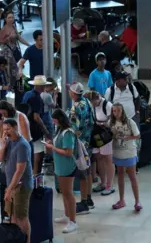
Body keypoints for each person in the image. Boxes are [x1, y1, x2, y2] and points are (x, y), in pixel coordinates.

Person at [0, 118, 33, 243]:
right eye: (4, 130)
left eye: (8, 129)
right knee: (12, 215)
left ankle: (27, 240)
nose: (6, 132)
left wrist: (10, 189)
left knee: (21, 217)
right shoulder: (10, 143)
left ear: (16, 128)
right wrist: (3, 145)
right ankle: (16, 239)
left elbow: (20, 171)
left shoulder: (22, 145)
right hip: (11, 185)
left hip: (21, 186)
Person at [47, 109, 78, 233]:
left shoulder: (68, 133)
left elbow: (68, 152)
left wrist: (53, 147)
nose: (53, 121)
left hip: (67, 166)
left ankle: (73, 221)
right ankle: (67, 215)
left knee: (68, 193)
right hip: (59, 166)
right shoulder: (59, 130)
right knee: (64, 193)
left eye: (54, 119)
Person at [109, 103, 142, 211]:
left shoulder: (129, 122)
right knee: (121, 175)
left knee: (132, 176)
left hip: (129, 152)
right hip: (117, 152)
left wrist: (129, 137)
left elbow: (138, 135)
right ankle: (121, 200)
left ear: (122, 111)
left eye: (118, 111)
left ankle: (137, 201)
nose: (116, 113)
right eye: (114, 111)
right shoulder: (112, 122)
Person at [68, 82, 94, 214]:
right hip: (88, 141)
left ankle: (84, 203)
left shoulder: (76, 107)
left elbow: (74, 128)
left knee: (82, 173)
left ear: (73, 93)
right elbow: (93, 121)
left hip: (80, 144)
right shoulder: (87, 102)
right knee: (88, 170)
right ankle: (89, 198)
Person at [85, 91, 115, 195]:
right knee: (98, 158)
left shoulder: (107, 105)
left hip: (106, 135)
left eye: (93, 102)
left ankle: (109, 185)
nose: (93, 104)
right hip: (96, 135)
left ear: (98, 98)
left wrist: (102, 123)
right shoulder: (90, 105)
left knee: (108, 159)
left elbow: (113, 121)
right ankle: (103, 183)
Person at [22, 76, 51, 174]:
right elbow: (36, 117)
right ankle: (35, 176)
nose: (44, 87)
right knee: (38, 154)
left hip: (25, 127)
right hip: (34, 130)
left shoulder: (27, 94)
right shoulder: (37, 98)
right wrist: (45, 130)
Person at [0, 12, 29, 87]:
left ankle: (17, 84)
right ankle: (10, 85)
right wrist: (9, 38)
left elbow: (19, 38)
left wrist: (28, 44)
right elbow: (0, 41)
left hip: (14, 49)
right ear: (5, 19)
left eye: (12, 17)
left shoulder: (13, 26)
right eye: (9, 17)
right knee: (9, 69)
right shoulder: (3, 29)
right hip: (7, 51)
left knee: (17, 67)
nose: (11, 19)